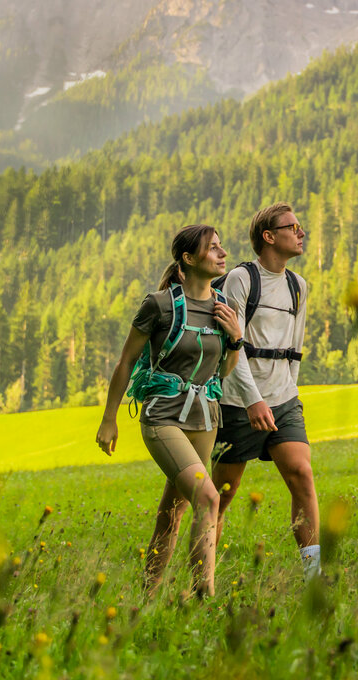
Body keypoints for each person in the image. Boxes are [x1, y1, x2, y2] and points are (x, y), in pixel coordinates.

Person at [95, 224, 242, 598]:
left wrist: (236, 337)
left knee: (172, 514)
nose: (222, 253)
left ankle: (147, 597)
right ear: (188, 259)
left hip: (205, 419)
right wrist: (109, 419)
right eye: (212, 248)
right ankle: (204, 595)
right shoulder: (159, 305)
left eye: (221, 246)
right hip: (163, 418)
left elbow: (223, 371)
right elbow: (126, 361)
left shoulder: (225, 308)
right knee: (208, 498)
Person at [212, 202, 321, 581]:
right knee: (223, 493)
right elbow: (233, 345)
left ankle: (314, 577)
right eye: (292, 227)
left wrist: (288, 391)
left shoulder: (298, 286)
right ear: (269, 236)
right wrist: (253, 399)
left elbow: (295, 346)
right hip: (237, 402)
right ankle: (202, 576)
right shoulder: (241, 279)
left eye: (299, 226)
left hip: (283, 400)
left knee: (301, 474)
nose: (301, 233)